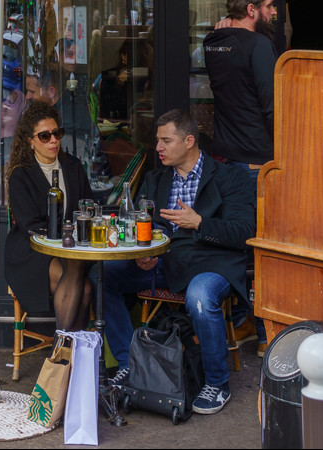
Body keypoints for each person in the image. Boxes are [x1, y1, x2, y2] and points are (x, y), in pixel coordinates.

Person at [98, 109, 254, 415]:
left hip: (212, 263)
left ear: (189, 141)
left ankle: (216, 384)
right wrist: (146, 253)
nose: (158, 148)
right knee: (102, 275)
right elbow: (144, 226)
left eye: (166, 140)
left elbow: (244, 231)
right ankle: (130, 365)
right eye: (158, 140)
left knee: (200, 295)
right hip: (164, 263)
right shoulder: (155, 180)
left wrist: (199, 222)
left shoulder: (229, 177)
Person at [203, 0, 276, 355]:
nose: (274, 11)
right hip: (258, 164)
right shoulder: (259, 46)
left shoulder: (212, 43)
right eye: (268, 6)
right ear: (252, 10)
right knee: (264, 249)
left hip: (226, 160)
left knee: (237, 244)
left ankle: (241, 323)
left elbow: (225, 44)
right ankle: (267, 335)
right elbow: (271, 106)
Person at [4, 100, 92, 331]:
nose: (53, 140)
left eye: (57, 133)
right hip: (32, 251)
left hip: (73, 249)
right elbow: (29, 224)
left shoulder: (73, 166)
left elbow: (88, 205)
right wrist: (67, 233)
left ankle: (64, 352)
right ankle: (66, 352)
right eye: (44, 136)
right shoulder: (20, 174)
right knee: (82, 285)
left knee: (85, 284)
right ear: (30, 141)